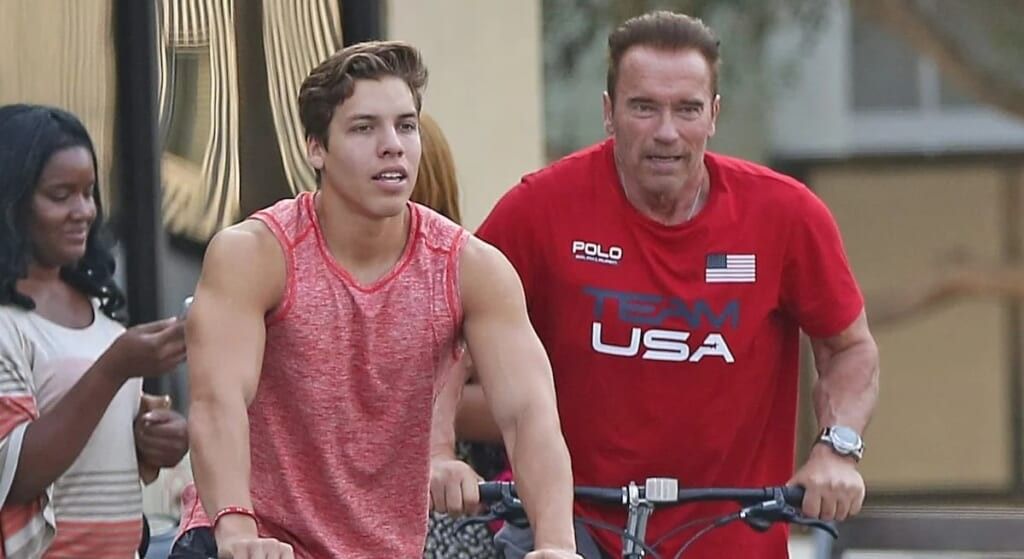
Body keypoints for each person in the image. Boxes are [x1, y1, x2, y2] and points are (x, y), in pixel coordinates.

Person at [434, 11, 881, 558]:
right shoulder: (540, 209)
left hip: (732, 536)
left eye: (687, 109)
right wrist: (438, 453)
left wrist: (838, 449)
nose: (666, 132)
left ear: (713, 116)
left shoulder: (785, 216)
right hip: (574, 530)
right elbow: (445, 335)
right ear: (608, 112)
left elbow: (850, 348)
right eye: (643, 107)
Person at [185, 41, 579, 559]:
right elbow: (217, 404)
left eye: (406, 126)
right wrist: (236, 529)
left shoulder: (470, 269)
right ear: (315, 148)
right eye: (364, 128)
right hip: (254, 539)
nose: (392, 145)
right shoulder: (256, 255)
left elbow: (528, 413)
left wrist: (555, 543)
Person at [0, 104, 188, 558]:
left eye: (89, 193)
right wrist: (115, 368)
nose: (84, 211)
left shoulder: (101, 313)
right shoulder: (8, 323)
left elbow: (95, 443)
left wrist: (156, 441)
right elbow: (15, 476)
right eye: (60, 195)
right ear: (11, 201)